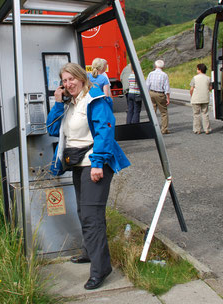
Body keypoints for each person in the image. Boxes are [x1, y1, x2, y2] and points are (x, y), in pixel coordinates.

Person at [46, 62, 130, 290]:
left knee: (92, 216)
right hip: (78, 164)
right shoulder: (69, 104)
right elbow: (52, 129)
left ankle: (101, 269)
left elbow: (105, 129)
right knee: (84, 211)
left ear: (81, 78)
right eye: (64, 81)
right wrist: (57, 103)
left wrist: (98, 162)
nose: (68, 84)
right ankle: (89, 252)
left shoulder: (94, 99)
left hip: (95, 164)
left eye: (71, 79)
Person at [145, 59, 170, 134]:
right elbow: (167, 87)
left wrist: (147, 94)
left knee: (152, 111)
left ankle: (152, 128)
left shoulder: (151, 73)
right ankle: (164, 129)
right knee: (164, 112)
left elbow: (147, 85)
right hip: (160, 94)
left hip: (151, 92)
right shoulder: (164, 75)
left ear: (155, 66)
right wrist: (168, 97)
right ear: (163, 67)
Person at [189, 63, 212, 134]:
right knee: (205, 114)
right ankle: (207, 129)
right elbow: (210, 88)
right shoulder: (208, 78)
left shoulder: (195, 78)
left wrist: (191, 95)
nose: (197, 70)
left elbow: (191, 89)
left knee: (196, 114)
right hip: (205, 98)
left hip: (196, 98)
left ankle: (197, 129)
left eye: (197, 69)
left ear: (199, 70)